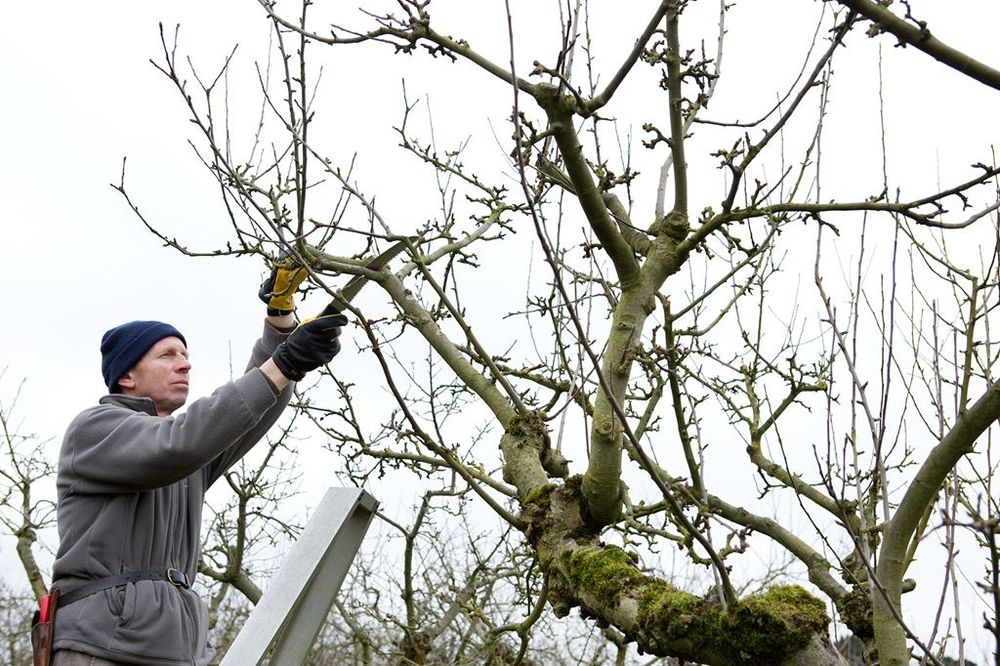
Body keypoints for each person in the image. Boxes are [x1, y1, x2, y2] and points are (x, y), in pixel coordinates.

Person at [46, 264, 346, 666]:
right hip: (100, 645)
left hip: (176, 649)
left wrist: (280, 320)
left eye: (186, 355)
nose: (185, 364)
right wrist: (284, 362)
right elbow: (181, 443)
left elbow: (246, 414)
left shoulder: (184, 448)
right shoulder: (95, 429)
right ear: (127, 377)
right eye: (167, 355)